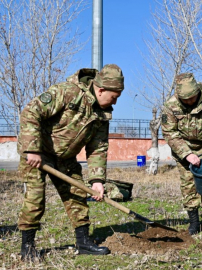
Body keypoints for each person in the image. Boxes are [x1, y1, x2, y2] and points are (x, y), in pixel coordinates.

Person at [17, 64, 125, 261]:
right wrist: (32, 148)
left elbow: (98, 147)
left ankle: (83, 242)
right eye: (114, 97)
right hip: (38, 154)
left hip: (65, 159)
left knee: (77, 196)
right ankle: (27, 247)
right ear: (101, 90)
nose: (115, 102)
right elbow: (31, 112)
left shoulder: (102, 115)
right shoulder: (67, 92)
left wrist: (97, 180)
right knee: (35, 199)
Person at [161, 73, 202, 236]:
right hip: (184, 149)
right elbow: (170, 133)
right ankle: (194, 223)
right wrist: (186, 153)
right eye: (186, 99)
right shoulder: (170, 106)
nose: (190, 102)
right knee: (188, 185)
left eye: (193, 97)